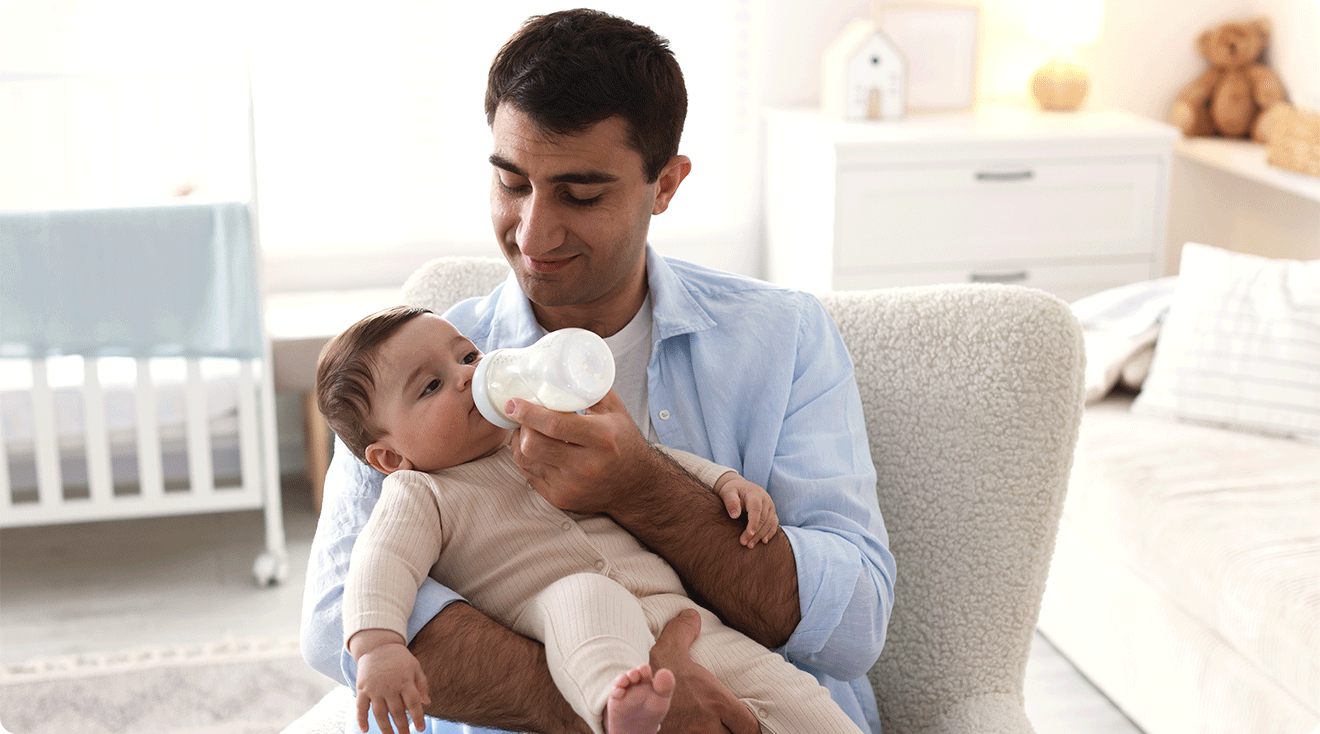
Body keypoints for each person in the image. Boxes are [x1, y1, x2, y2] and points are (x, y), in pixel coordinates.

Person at [300, 8, 896, 734]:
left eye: (581, 195)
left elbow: (855, 623)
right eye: (512, 184)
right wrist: (625, 711)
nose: (533, 234)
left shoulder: (783, 339)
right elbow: (340, 617)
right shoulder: (406, 371)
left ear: (666, 185)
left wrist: (644, 488)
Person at [318, 305, 865, 734]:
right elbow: (379, 563)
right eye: (431, 386)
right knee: (585, 599)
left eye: (467, 357)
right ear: (390, 458)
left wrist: (725, 482)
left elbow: (649, 458)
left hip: (679, 615)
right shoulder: (421, 493)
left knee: (791, 694)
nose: (467, 378)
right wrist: (379, 645)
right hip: (562, 611)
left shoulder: (549, 427)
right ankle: (618, 707)